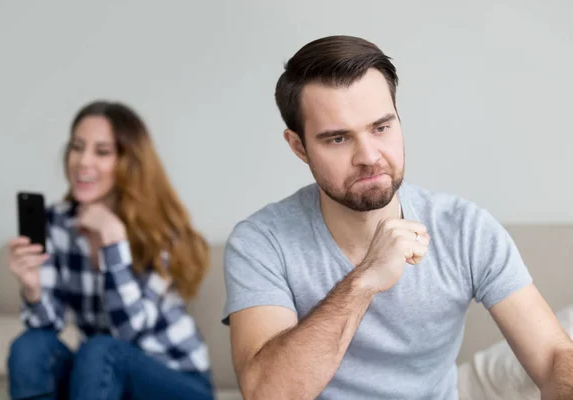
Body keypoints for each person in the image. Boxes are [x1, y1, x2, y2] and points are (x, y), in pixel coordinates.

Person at [222, 35, 573, 400]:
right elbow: (266, 394)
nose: (369, 156)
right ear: (299, 146)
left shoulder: (465, 229)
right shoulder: (260, 243)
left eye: (381, 127)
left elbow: (552, 358)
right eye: (338, 139)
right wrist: (364, 281)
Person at [7, 100, 214, 400]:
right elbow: (46, 327)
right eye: (77, 147)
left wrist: (113, 242)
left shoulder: (161, 231)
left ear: (128, 162)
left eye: (102, 152)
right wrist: (32, 289)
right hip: (103, 379)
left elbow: (129, 334)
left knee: (101, 349)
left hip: (177, 380)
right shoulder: (56, 223)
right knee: (29, 346)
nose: (83, 161)